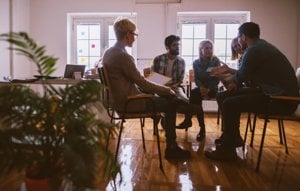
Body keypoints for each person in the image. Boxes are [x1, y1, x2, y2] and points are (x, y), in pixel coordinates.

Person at [205, 22, 299, 161]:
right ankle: (232, 137)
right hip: (273, 93)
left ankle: (228, 151)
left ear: (243, 37)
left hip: (280, 100)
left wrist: (229, 80)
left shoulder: (254, 50)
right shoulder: (260, 46)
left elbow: (241, 77)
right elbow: (246, 76)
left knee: (229, 103)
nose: (237, 41)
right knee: (222, 96)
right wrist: (233, 79)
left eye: (238, 37)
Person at [102, 17, 190, 159]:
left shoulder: (109, 52)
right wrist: (167, 90)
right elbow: (142, 82)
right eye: (135, 35)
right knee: (171, 103)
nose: (135, 38)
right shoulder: (123, 56)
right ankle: (172, 148)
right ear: (128, 34)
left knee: (168, 98)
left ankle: (171, 140)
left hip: (120, 101)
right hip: (130, 102)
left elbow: (137, 82)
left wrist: (162, 90)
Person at [176, 40, 221, 141]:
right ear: (201, 50)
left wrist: (208, 89)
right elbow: (196, 78)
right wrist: (201, 87)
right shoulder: (196, 63)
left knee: (195, 96)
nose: (209, 50)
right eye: (206, 48)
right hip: (201, 88)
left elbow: (216, 78)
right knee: (195, 94)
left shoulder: (215, 61)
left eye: (210, 48)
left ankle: (188, 120)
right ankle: (202, 128)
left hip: (212, 88)